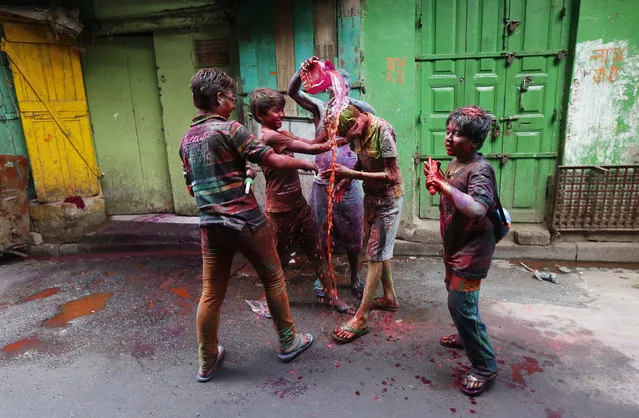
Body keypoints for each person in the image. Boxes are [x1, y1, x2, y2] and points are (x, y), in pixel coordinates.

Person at [180, 68, 314, 383]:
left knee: (211, 292)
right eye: (230, 97)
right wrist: (306, 163)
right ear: (218, 98)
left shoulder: (186, 140)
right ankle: (288, 340)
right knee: (273, 277)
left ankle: (207, 359)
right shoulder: (231, 129)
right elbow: (274, 160)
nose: (233, 102)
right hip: (246, 221)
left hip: (211, 226)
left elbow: (192, 188)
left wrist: (241, 176)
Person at [248, 88, 353, 314]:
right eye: (275, 111)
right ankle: (267, 302)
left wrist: (332, 127)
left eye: (282, 110)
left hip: (299, 206)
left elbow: (314, 140)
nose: (282, 115)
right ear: (260, 115)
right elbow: (314, 149)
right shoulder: (269, 137)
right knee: (280, 259)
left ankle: (332, 297)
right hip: (279, 212)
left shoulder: (282, 134)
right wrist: (348, 138)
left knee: (317, 252)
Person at [424, 105, 499, 397]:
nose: (448, 138)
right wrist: (440, 176)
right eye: (448, 131)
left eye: (457, 135)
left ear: (476, 142)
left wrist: (442, 184)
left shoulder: (481, 169)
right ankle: (466, 336)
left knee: (461, 305)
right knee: (459, 299)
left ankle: (484, 367)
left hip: (473, 250)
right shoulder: (457, 163)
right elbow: (453, 192)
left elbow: (478, 208)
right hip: (455, 246)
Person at [288, 58, 375, 300]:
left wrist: (346, 100)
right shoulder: (319, 108)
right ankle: (323, 276)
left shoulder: (357, 110)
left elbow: (372, 112)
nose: (334, 89)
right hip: (322, 184)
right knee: (321, 233)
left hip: (349, 185)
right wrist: (302, 71)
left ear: (348, 87)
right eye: (332, 85)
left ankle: (355, 276)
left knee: (354, 234)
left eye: (341, 84)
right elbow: (292, 91)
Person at [321, 105, 404, 344]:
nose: (353, 139)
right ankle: (389, 297)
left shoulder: (382, 131)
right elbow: (361, 162)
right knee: (380, 249)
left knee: (375, 255)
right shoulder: (356, 132)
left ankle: (361, 318)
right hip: (372, 198)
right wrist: (345, 180)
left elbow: (393, 175)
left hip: (389, 200)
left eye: (353, 133)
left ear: (359, 119)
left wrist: (351, 174)